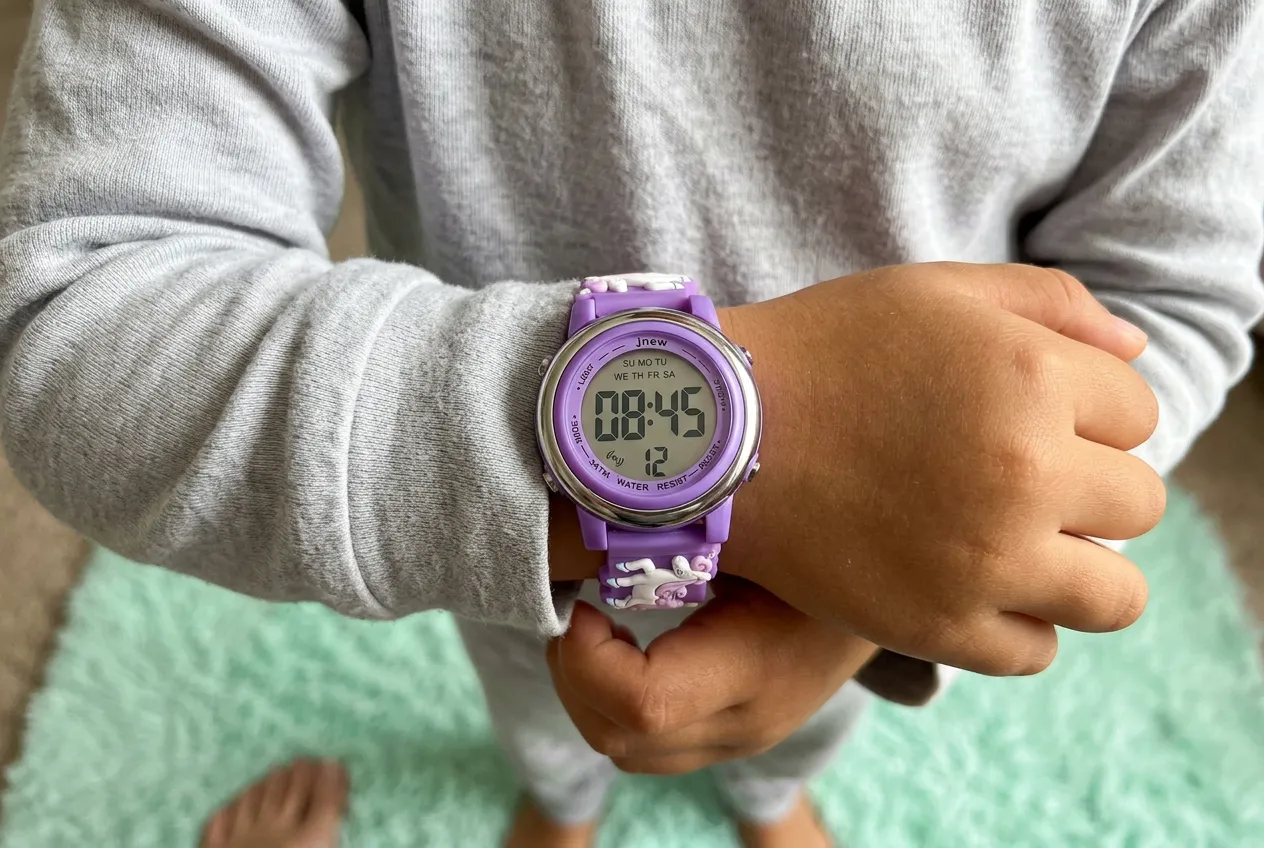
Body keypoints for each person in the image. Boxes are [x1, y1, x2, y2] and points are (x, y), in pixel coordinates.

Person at [1, 1, 1261, 846]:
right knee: (534, 692)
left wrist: (855, 609)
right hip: (504, 560)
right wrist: (787, 442)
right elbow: (80, 305)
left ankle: (774, 791)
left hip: (878, 583)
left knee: (813, 713)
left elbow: (1169, 298)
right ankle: (558, 794)